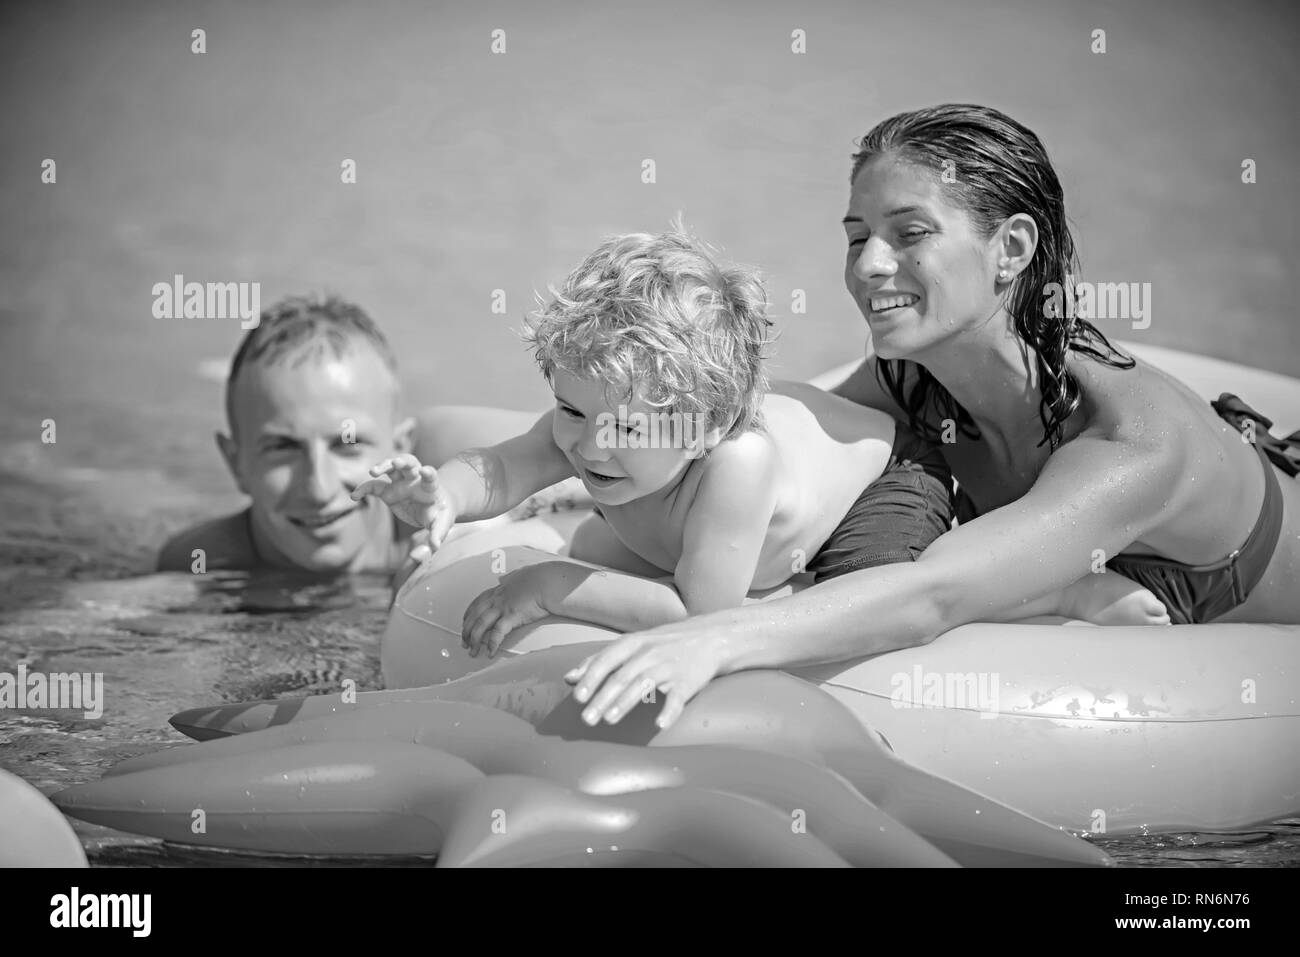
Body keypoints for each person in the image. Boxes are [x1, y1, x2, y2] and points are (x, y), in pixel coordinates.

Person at [559, 104, 1300, 730]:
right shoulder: (911, 374)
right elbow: (762, 431)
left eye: (909, 234)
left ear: (1010, 248)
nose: (868, 265)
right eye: (857, 236)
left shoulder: (1131, 439)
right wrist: (577, 474)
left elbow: (932, 593)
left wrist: (715, 637)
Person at [355, 225, 1167, 660]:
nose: (589, 445)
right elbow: (498, 469)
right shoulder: (591, 422)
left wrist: (551, 584)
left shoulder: (735, 462)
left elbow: (700, 617)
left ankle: (1062, 593)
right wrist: (443, 495)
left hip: (889, 476)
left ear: (704, 428)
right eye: (571, 412)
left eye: (628, 429)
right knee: (602, 507)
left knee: (859, 590)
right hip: (775, 490)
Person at [157, 295, 586, 576]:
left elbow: (617, 445)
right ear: (236, 463)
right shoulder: (204, 565)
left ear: (401, 444)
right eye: (282, 449)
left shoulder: (464, 457)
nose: (319, 487)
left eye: (347, 445)